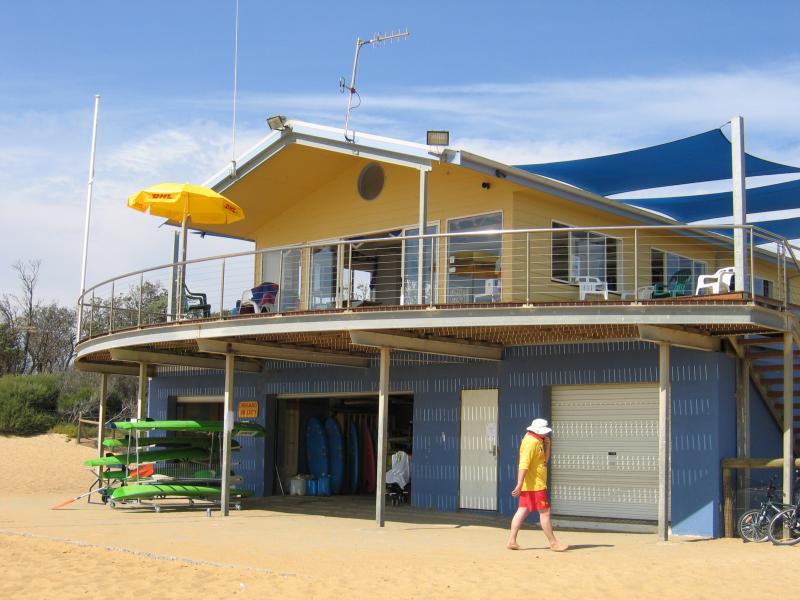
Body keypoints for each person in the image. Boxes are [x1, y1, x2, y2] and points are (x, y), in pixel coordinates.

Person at [507, 418, 568, 552]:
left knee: (522, 510)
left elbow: (544, 461)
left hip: (533, 484)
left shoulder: (538, 440)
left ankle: (511, 541)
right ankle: (553, 543)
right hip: (535, 485)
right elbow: (523, 464)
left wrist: (548, 445)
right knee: (545, 513)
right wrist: (519, 484)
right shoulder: (531, 442)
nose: (546, 434)